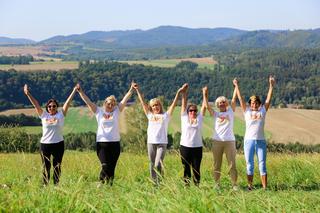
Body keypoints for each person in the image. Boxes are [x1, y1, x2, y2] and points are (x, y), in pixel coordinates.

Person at [76, 82, 135, 185]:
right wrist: (80, 91)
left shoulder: (117, 111)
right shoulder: (98, 111)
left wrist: (131, 89)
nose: (110, 105)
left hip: (115, 143)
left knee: (112, 168)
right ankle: (100, 183)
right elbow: (88, 102)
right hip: (102, 144)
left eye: (112, 104)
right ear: (104, 104)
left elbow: (125, 99)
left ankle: (109, 188)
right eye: (108, 103)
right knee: (105, 165)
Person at [134, 83, 188, 185]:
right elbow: (142, 103)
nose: (155, 107)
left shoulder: (165, 116)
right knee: (151, 164)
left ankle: (160, 181)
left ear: (160, 105)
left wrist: (178, 93)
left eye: (157, 104)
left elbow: (174, 104)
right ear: (151, 107)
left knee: (158, 163)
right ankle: (155, 184)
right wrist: (137, 90)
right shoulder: (149, 115)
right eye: (153, 105)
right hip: (151, 143)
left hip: (161, 143)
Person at [23, 84, 77, 185]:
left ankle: (56, 185)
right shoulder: (44, 115)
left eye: (54, 106)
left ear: (57, 107)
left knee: (57, 166)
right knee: (45, 166)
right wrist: (27, 94)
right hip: (45, 144)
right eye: (49, 106)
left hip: (58, 144)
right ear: (47, 107)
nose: (51, 108)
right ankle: (45, 185)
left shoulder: (61, 115)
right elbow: (36, 104)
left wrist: (74, 90)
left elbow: (68, 102)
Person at [233, 76, 275, 190]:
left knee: (262, 164)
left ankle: (265, 187)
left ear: (259, 104)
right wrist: (236, 86)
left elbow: (268, 99)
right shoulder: (246, 111)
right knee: (250, 164)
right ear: (250, 104)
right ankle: (250, 186)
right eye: (252, 103)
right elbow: (240, 99)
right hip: (249, 141)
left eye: (256, 103)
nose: (254, 105)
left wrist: (271, 85)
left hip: (261, 141)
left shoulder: (263, 110)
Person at [203, 83, 238, 190]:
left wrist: (236, 86)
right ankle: (217, 184)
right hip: (217, 141)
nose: (222, 104)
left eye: (223, 102)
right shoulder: (215, 114)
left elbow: (234, 98)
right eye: (220, 103)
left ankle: (234, 185)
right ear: (217, 105)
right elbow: (207, 106)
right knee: (217, 164)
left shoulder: (231, 111)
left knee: (232, 164)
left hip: (229, 141)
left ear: (226, 103)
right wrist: (205, 94)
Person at [179, 84, 206, 186]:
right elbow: (184, 103)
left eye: (195, 110)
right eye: (191, 110)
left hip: (197, 147)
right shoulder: (184, 118)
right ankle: (187, 185)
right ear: (188, 112)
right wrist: (184, 92)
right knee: (186, 167)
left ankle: (197, 185)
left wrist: (204, 94)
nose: (193, 112)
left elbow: (204, 106)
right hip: (185, 147)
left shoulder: (199, 118)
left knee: (196, 167)